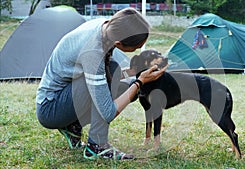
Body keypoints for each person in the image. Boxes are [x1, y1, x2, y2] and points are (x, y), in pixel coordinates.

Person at [35, 7, 168, 160]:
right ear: (119, 43)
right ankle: (96, 146)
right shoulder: (93, 52)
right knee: (123, 83)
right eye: (136, 47)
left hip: (66, 96)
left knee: (119, 76)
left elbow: (112, 74)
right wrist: (139, 82)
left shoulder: (106, 27)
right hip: (50, 108)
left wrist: (133, 74)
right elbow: (108, 112)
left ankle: (72, 125)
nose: (138, 49)